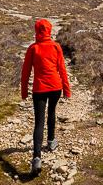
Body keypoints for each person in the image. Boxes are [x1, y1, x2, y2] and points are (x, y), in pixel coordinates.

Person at [20, 18, 71, 173]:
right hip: (56, 87)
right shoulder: (56, 47)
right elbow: (62, 69)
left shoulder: (33, 49)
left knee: (39, 122)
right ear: (49, 30)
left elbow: (25, 72)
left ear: (37, 31)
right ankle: (50, 141)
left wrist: (24, 91)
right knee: (52, 113)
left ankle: (36, 158)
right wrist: (67, 89)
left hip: (39, 89)